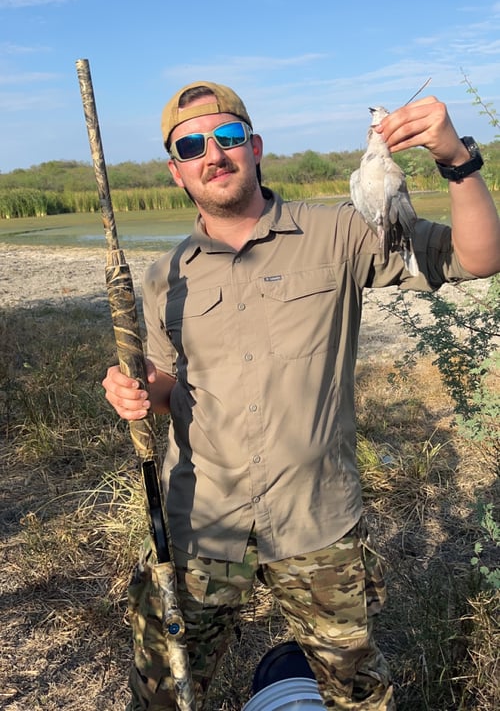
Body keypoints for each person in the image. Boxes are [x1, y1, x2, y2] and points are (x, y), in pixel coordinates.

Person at [103, 82, 500, 711]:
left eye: (229, 136)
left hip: (316, 522)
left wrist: (457, 160)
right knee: (161, 694)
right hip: (201, 522)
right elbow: (170, 386)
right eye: (192, 145)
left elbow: (478, 258)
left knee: (358, 695)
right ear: (176, 170)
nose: (215, 153)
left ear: (255, 147)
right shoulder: (163, 278)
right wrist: (140, 390)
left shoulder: (338, 229)